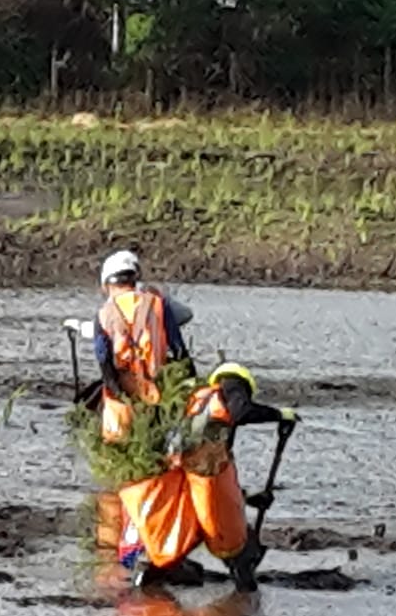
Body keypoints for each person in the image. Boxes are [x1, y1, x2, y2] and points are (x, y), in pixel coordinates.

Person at [116, 363, 297, 591]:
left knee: (191, 527)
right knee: (224, 531)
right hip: (203, 474)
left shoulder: (198, 400)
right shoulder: (231, 389)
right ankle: (243, 587)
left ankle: (154, 575)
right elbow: (242, 412)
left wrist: (249, 498)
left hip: (182, 470)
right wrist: (279, 414)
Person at [92, 250, 195, 445]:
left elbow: (103, 360)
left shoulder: (102, 315)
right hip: (157, 392)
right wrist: (190, 386)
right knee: (158, 446)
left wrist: (120, 394)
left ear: (107, 284)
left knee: (118, 447)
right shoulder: (158, 304)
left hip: (123, 393)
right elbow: (179, 350)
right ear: (133, 279)